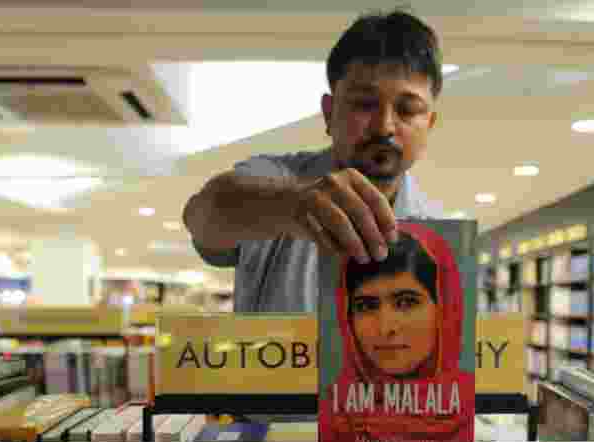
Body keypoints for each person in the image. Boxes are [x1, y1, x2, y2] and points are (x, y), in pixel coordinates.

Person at [184, 10, 444, 314]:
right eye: (364, 104)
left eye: (408, 109)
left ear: (429, 123)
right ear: (329, 112)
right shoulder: (277, 180)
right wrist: (292, 206)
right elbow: (202, 214)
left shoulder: (440, 232)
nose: (385, 126)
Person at [319, 223, 475, 442]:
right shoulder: (335, 417)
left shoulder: (471, 411)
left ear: (443, 310)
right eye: (366, 306)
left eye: (406, 302)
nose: (386, 328)